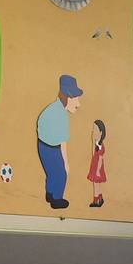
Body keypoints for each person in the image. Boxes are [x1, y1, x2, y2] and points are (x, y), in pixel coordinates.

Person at [37, 75, 83, 210]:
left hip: (42, 145)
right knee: (61, 173)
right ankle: (56, 199)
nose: (78, 104)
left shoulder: (53, 108)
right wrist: (66, 164)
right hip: (52, 147)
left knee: (51, 172)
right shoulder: (61, 115)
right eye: (76, 99)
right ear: (68, 97)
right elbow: (63, 145)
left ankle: (50, 193)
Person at [87, 118, 107, 208]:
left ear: (101, 132)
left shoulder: (101, 146)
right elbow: (93, 154)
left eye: (95, 129)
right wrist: (92, 141)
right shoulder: (96, 144)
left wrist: (98, 170)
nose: (93, 131)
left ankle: (96, 201)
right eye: (93, 129)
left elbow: (100, 159)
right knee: (97, 184)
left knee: (96, 184)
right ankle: (100, 199)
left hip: (97, 168)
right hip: (94, 167)